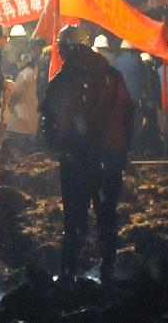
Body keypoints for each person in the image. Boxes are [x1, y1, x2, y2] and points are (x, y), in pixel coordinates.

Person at [40, 25, 133, 283]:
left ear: (66, 47)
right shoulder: (113, 75)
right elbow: (128, 114)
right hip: (110, 159)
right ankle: (108, 270)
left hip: (76, 160)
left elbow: (49, 120)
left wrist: (56, 148)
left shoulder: (62, 79)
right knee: (107, 216)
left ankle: (69, 272)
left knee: (75, 218)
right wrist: (123, 151)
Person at [112, 41, 152, 155]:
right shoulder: (137, 62)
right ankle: (134, 149)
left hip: (120, 99)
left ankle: (121, 149)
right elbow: (143, 80)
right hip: (135, 98)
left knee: (121, 125)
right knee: (135, 125)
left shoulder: (116, 62)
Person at [4, 53, 39, 158]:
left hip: (21, 114)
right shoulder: (33, 72)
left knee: (13, 140)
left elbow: (17, 91)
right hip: (30, 112)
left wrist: (10, 102)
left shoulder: (23, 74)